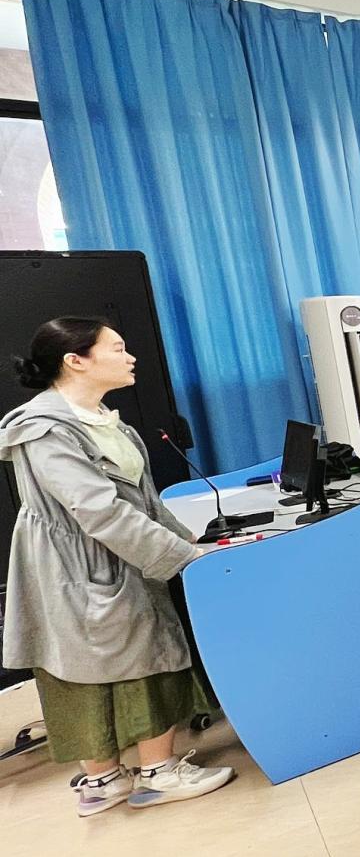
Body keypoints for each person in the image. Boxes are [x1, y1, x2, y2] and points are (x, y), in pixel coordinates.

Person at [2, 317, 235, 816]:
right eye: (117, 348)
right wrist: (180, 556)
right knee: (103, 663)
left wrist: (188, 541)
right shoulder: (44, 430)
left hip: (118, 551)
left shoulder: (106, 421)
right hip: (77, 564)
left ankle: (113, 779)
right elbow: (99, 511)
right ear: (76, 360)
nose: (130, 357)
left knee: (133, 653)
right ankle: (149, 775)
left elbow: (142, 501)